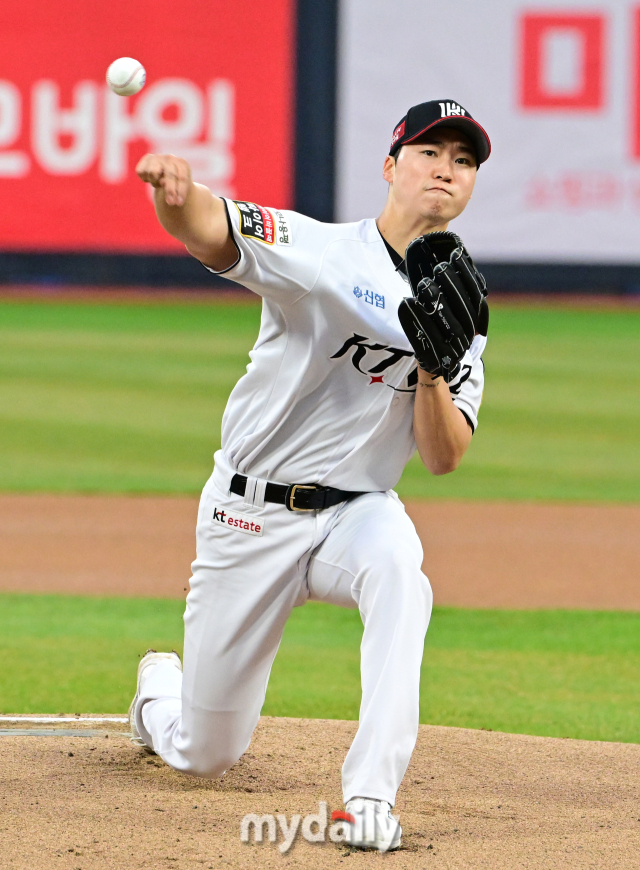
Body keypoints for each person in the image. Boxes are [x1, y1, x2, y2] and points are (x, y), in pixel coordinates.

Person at [129, 99, 491, 852]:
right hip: (250, 516)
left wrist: (431, 371)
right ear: (390, 166)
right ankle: (160, 689)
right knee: (206, 753)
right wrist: (176, 196)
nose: (446, 170)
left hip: (356, 513)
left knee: (400, 571)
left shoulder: (463, 310)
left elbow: (444, 455)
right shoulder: (322, 251)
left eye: (463, 161)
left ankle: (370, 799)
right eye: (430, 153)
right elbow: (215, 229)